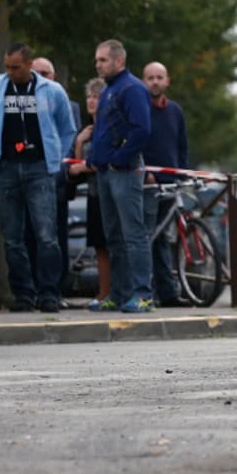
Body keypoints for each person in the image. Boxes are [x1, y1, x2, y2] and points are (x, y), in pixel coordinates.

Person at [0, 43, 75, 313]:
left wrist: (56, 157)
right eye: (7, 67)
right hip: (5, 169)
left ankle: (49, 293)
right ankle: (23, 294)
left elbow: (68, 128)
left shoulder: (52, 91)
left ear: (30, 64)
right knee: (12, 237)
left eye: (16, 67)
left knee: (46, 234)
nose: (10, 72)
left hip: (39, 169)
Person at [85, 39, 154, 313]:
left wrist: (117, 159)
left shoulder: (132, 88)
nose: (98, 64)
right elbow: (104, 129)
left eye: (102, 60)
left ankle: (142, 294)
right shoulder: (110, 89)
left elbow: (142, 129)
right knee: (113, 236)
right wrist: (95, 159)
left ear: (119, 61)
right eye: (97, 60)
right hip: (105, 172)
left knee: (133, 234)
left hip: (123, 172)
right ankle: (119, 293)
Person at [30, 56, 81, 301]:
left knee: (55, 238)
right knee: (29, 237)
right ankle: (32, 290)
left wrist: (59, 173)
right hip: (28, 182)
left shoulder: (70, 107)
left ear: (54, 77)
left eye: (45, 73)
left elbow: (70, 146)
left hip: (56, 183)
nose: (41, 77)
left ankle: (54, 291)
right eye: (36, 72)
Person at [140, 61, 189, 306]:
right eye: (150, 77)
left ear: (167, 81)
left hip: (171, 184)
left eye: (160, 77)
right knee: (147, 237)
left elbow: (182, 146)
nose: (155, 82)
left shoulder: (175, 111)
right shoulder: (139, 110)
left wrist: (182, 173)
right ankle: (145, 292)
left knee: (162, 240)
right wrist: (144, 174)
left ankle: (168, 293)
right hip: (147, 184)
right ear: (143, 81)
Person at [68, 78, 111, 307]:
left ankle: (108, 293)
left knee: (109, 245)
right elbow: (78, 163)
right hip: (92, 194)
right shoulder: (88, 129)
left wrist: (81, 166)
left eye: (97, 97)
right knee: (98, 246)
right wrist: (79, 141)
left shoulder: (108, 128)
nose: (92, 101)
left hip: (107, 193)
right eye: (89, 96)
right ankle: (103, 293)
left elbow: (99, 161)